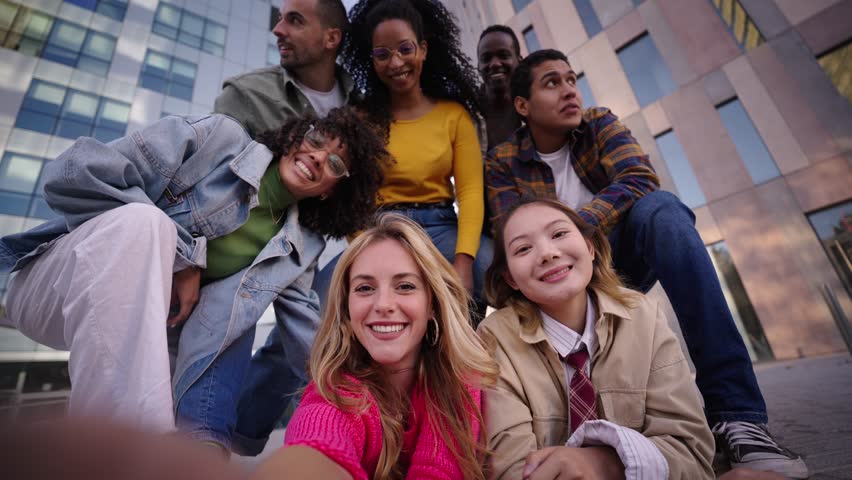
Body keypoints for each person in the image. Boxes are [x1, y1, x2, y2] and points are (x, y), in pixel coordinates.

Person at [485, 49, 808, 478]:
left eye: (570, 79)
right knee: (506, 254)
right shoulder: (503, 159)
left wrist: (577, 232)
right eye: (551, 83)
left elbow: (638, 179)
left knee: (662, 211)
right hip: (552, 279)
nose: (568, 91)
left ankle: (739, 417)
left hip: (617, 260)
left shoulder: (598, 123)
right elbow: (512, 230)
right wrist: (557, 243)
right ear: (522, 106)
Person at [0, 107, 388, 441]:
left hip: (139, 335)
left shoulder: (300, 244)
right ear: (296, 135)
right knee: (146, 222)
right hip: (53, 287)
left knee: (231, 329)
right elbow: (75, 170)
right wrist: (183, 258)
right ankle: (134, 447)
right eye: (319, 138)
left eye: (336, 163)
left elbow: (307, 334)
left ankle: (112, 448)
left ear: (331, 190)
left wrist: (370, 391)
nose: (318, 156)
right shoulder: (218, 140)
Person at [213, 0, 359, 454]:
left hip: (331, 249)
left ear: (331, 38)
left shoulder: (364, 104)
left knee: (313, 344)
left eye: (294, 20)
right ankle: (219, 444)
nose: (278, 29)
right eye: (279, 17)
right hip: (253, 253)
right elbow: (215, 183)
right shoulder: (246, 93)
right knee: (228, 338)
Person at [480, 198, 714, 479]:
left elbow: (692, 454)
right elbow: (510, 469)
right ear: (510, 278)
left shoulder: (643, 315)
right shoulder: (494, 338)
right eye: (523, 249)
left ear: (590, 247)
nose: (547, 253)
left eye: (559, 234)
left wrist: (607, 464)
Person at [254, 213, 498, 480]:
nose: (383, 304)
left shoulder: (461, 376)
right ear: (346, 310)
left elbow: (438, 470)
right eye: (365, 288)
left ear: (433, 305)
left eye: (405, 286)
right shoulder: (334, 390)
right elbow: (315, 442)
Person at [332, 0, 492, 317]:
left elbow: (471, 191)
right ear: (371, 60)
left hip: (443, 228)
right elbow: (348, 196)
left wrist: (464, 261)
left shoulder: (453, 115)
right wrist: (364, 246)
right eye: (382, 54)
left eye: (405, 49)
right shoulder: (360, 119)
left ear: (423, 49)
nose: (395, 62)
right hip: (380, 227)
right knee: (328, 301)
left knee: (509, 274)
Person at [477, 25, 523, 151]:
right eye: (486, 58)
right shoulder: (465, 114)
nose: (495, 64)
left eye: (503, 55)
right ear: (478, 67)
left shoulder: (536, 108)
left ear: (519, 61)